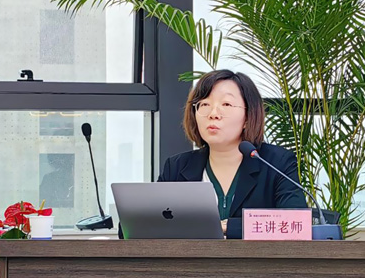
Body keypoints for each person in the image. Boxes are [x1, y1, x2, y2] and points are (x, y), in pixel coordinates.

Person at [118, 70, 307, 239]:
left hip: (256, 266)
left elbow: (296, 224)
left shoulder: (276, 163)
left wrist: (230, 227)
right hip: (192, 265)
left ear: (248, 117)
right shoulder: (178, 167)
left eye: (226, 104)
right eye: (205, 104)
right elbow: (135, 227)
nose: (213, 113)